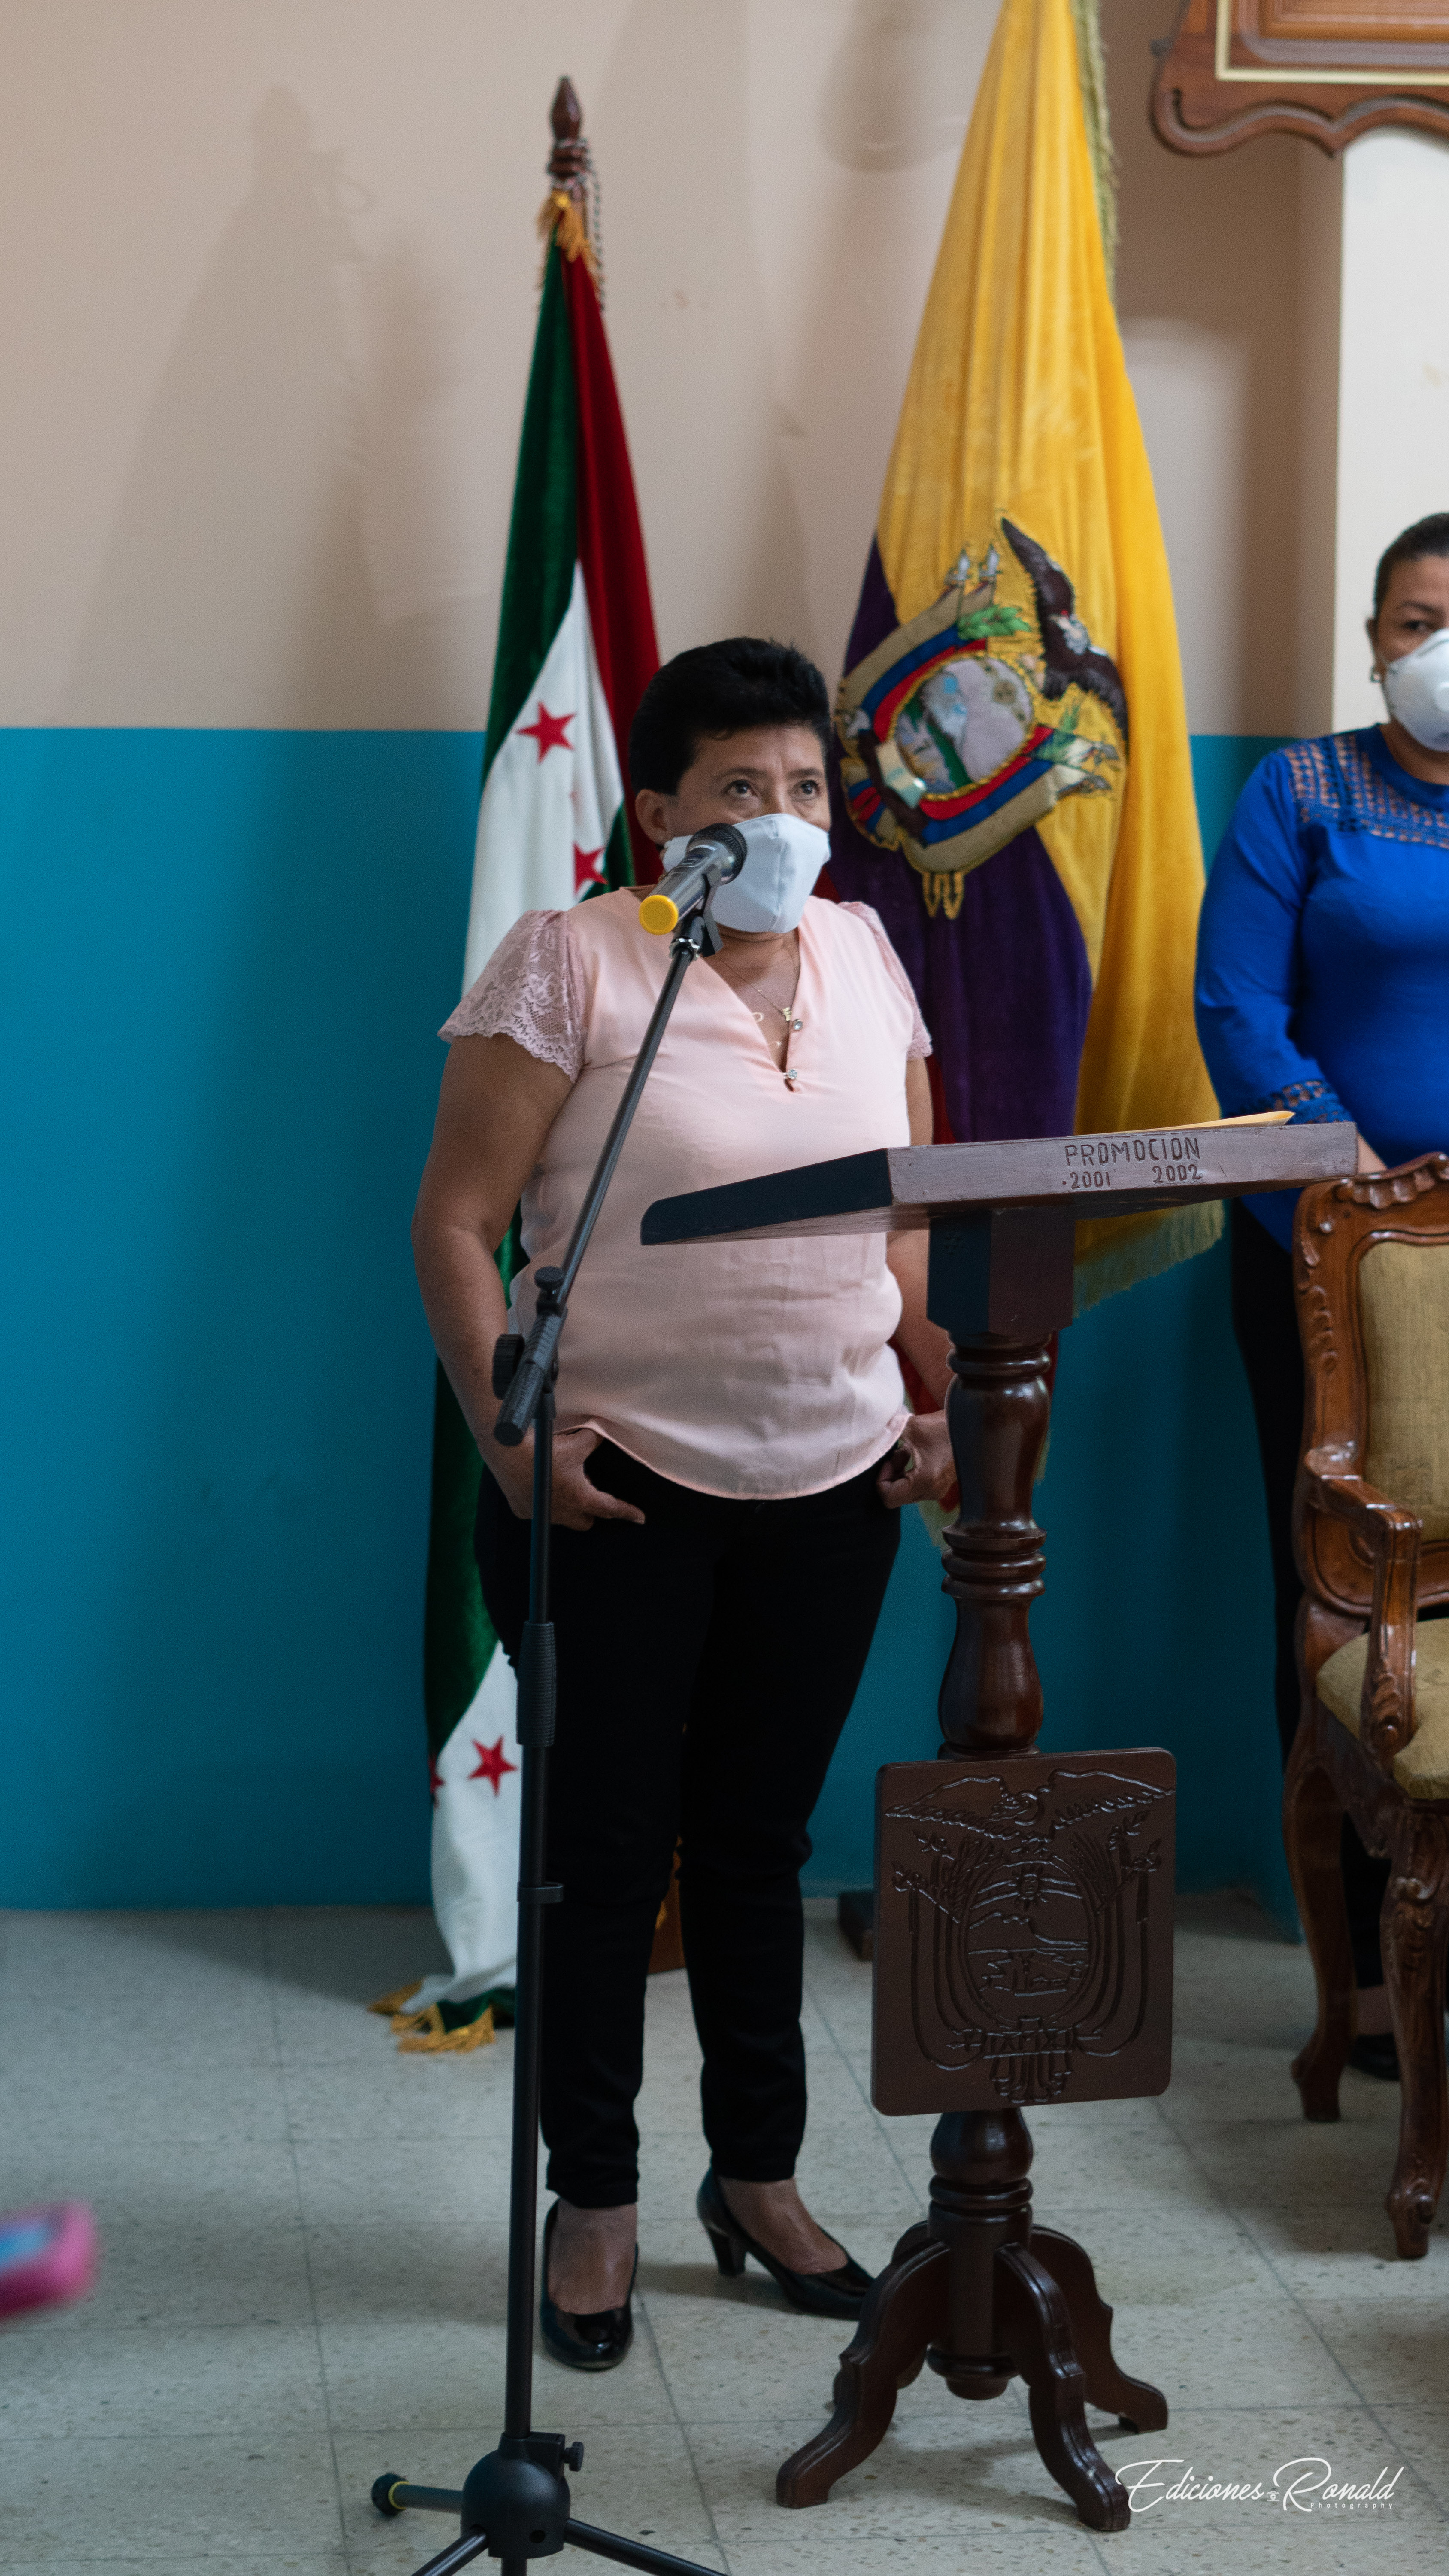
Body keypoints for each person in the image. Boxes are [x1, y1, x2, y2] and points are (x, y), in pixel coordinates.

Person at [412, 637, 956, 2368]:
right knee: (602, 1858)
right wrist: (508, 1440)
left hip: (836, 1477)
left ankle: (759, 2178)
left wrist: (925, 1380)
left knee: (757, 1846)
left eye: (804, 786)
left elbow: (905, 1205)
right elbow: (456, 1223)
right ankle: (595, 2200)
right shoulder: (575, 963)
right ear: (660, 815)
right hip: (613, 1489)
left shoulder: (865, 953)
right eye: (738, 789)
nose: (783, 820)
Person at [1196, 512, 1449, 2078]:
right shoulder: (1299, 791)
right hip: (1327, 1256)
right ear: (1373, 643)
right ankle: (1358, 1976)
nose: (1443, 650)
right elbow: (1237, 1011)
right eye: (1419, 621)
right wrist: (1361, 1197)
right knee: (1344, 1583)